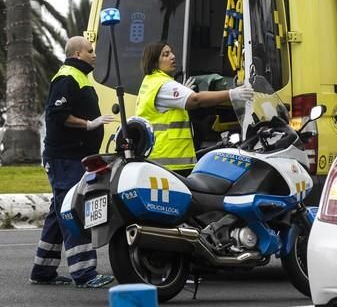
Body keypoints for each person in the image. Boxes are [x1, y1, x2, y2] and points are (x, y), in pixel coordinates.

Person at [29, 36, 115, 288]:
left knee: (59, 212)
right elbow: (57, 115)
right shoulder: (67, 77)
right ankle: (85, 273)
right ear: (77, 54)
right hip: (64, 158)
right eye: (90, 51)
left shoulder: (79, 77)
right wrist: (89, 124)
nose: (94, 55)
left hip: (72, 157)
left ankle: (42, 271)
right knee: (73, 211)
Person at [135, 41, 253, 173]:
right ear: (154, 62)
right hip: (171, 163)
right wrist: (232, 94)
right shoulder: (163, 85)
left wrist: (182, 93)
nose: (173, 56)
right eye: (166, 55)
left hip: (160, 160)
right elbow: (196, 100)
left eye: (171, 52)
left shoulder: (150, 82)